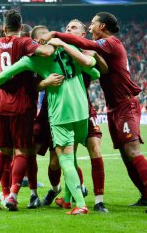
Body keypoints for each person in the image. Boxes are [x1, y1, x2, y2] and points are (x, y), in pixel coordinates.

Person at [41, 12, 147, 213]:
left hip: (125, 105)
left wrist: (57, 35)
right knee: (126, 156)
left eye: (93, 24)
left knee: (132, 152)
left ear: (103, 26)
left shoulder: (111, 42)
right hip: (113, 108)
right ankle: (145, 195)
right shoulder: (100, 48)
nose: (90, 28)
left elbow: (92, 55)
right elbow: (102, 69)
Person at [0, 27, 101, 215]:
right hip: (82, 110)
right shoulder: (68, 49)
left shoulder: (32, 59)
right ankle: (67, 200)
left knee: (65, 158)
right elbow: (95, 73)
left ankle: (80, 204)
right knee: (73, 155)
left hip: (61, 111)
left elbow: (6, 73)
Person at [0, 9, 55, 211]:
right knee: (22, 150)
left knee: (3, 151)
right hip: (21, 105)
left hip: (1, 104)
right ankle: (13, 195)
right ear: (21, 27)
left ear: (4, 27)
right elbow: (47, 52)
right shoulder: (23, 42)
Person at [39, 20, 109, 213]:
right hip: (57, 109)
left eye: (73, 28)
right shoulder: (57, 50)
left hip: (83, 108)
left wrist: (95, 55)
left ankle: (98, 200)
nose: (68, 30)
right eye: (67, 28)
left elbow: (100, 71)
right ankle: (65, 196)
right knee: (65, 157)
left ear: (83, 34)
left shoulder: (84, 51)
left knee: (93, 148)